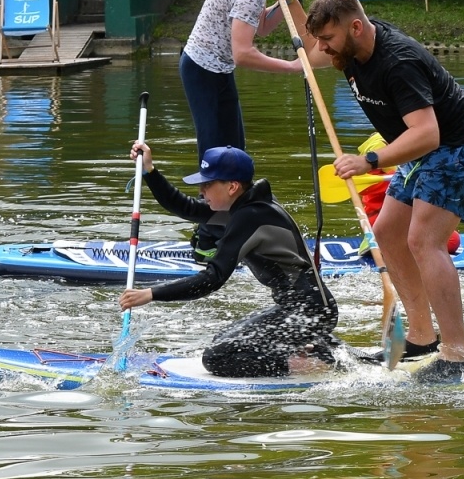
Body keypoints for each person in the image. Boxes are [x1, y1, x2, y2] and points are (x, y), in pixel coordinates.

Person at [301, 0, 464, 382]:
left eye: (328, 39)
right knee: (386, 231)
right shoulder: (349, 46)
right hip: (417, 151)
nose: (322, 48)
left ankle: (457, 353)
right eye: (321, 39)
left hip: (456, 145)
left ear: (355, 28)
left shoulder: (398, 62)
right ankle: (421, 337)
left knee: (424, 240)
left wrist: (369, 161)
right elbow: (309, 49)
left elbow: (427, 134)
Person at [119, 145, 342, 378]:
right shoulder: (244, 205)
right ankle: (313, 346)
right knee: (222, 342)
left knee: (218, 358)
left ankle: (311, 365)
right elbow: (186, 207)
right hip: (302, 309)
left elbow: (212, 278)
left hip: (310, 311)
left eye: (207, 184)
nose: (201, 191)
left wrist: (151, 294)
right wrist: (149, 171)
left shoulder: (250, 216)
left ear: (232, 186)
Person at [179, 0, 316, 160]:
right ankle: (210, 197)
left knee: (235, 150)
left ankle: (237, 195)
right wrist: (292, 66)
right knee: (213, 153)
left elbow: (261, 27)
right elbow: (242, 54)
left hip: (219, 68)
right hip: (201, 69)